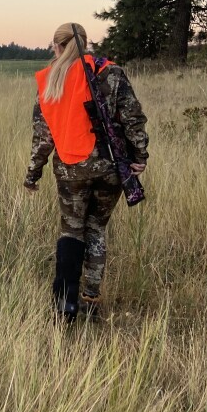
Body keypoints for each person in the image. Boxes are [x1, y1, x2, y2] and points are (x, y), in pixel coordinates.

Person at [24, 23, 148, 322]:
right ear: (85, 43)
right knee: (96, 231)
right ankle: (91, 301)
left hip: (71, 170)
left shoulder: (51, 80)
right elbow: (133, 118)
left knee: (71, 231)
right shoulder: (112, 73)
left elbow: (44, 138)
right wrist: (140, 156)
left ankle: (66, 303)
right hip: (111, 169)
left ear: (56, 46)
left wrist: (32, 174)